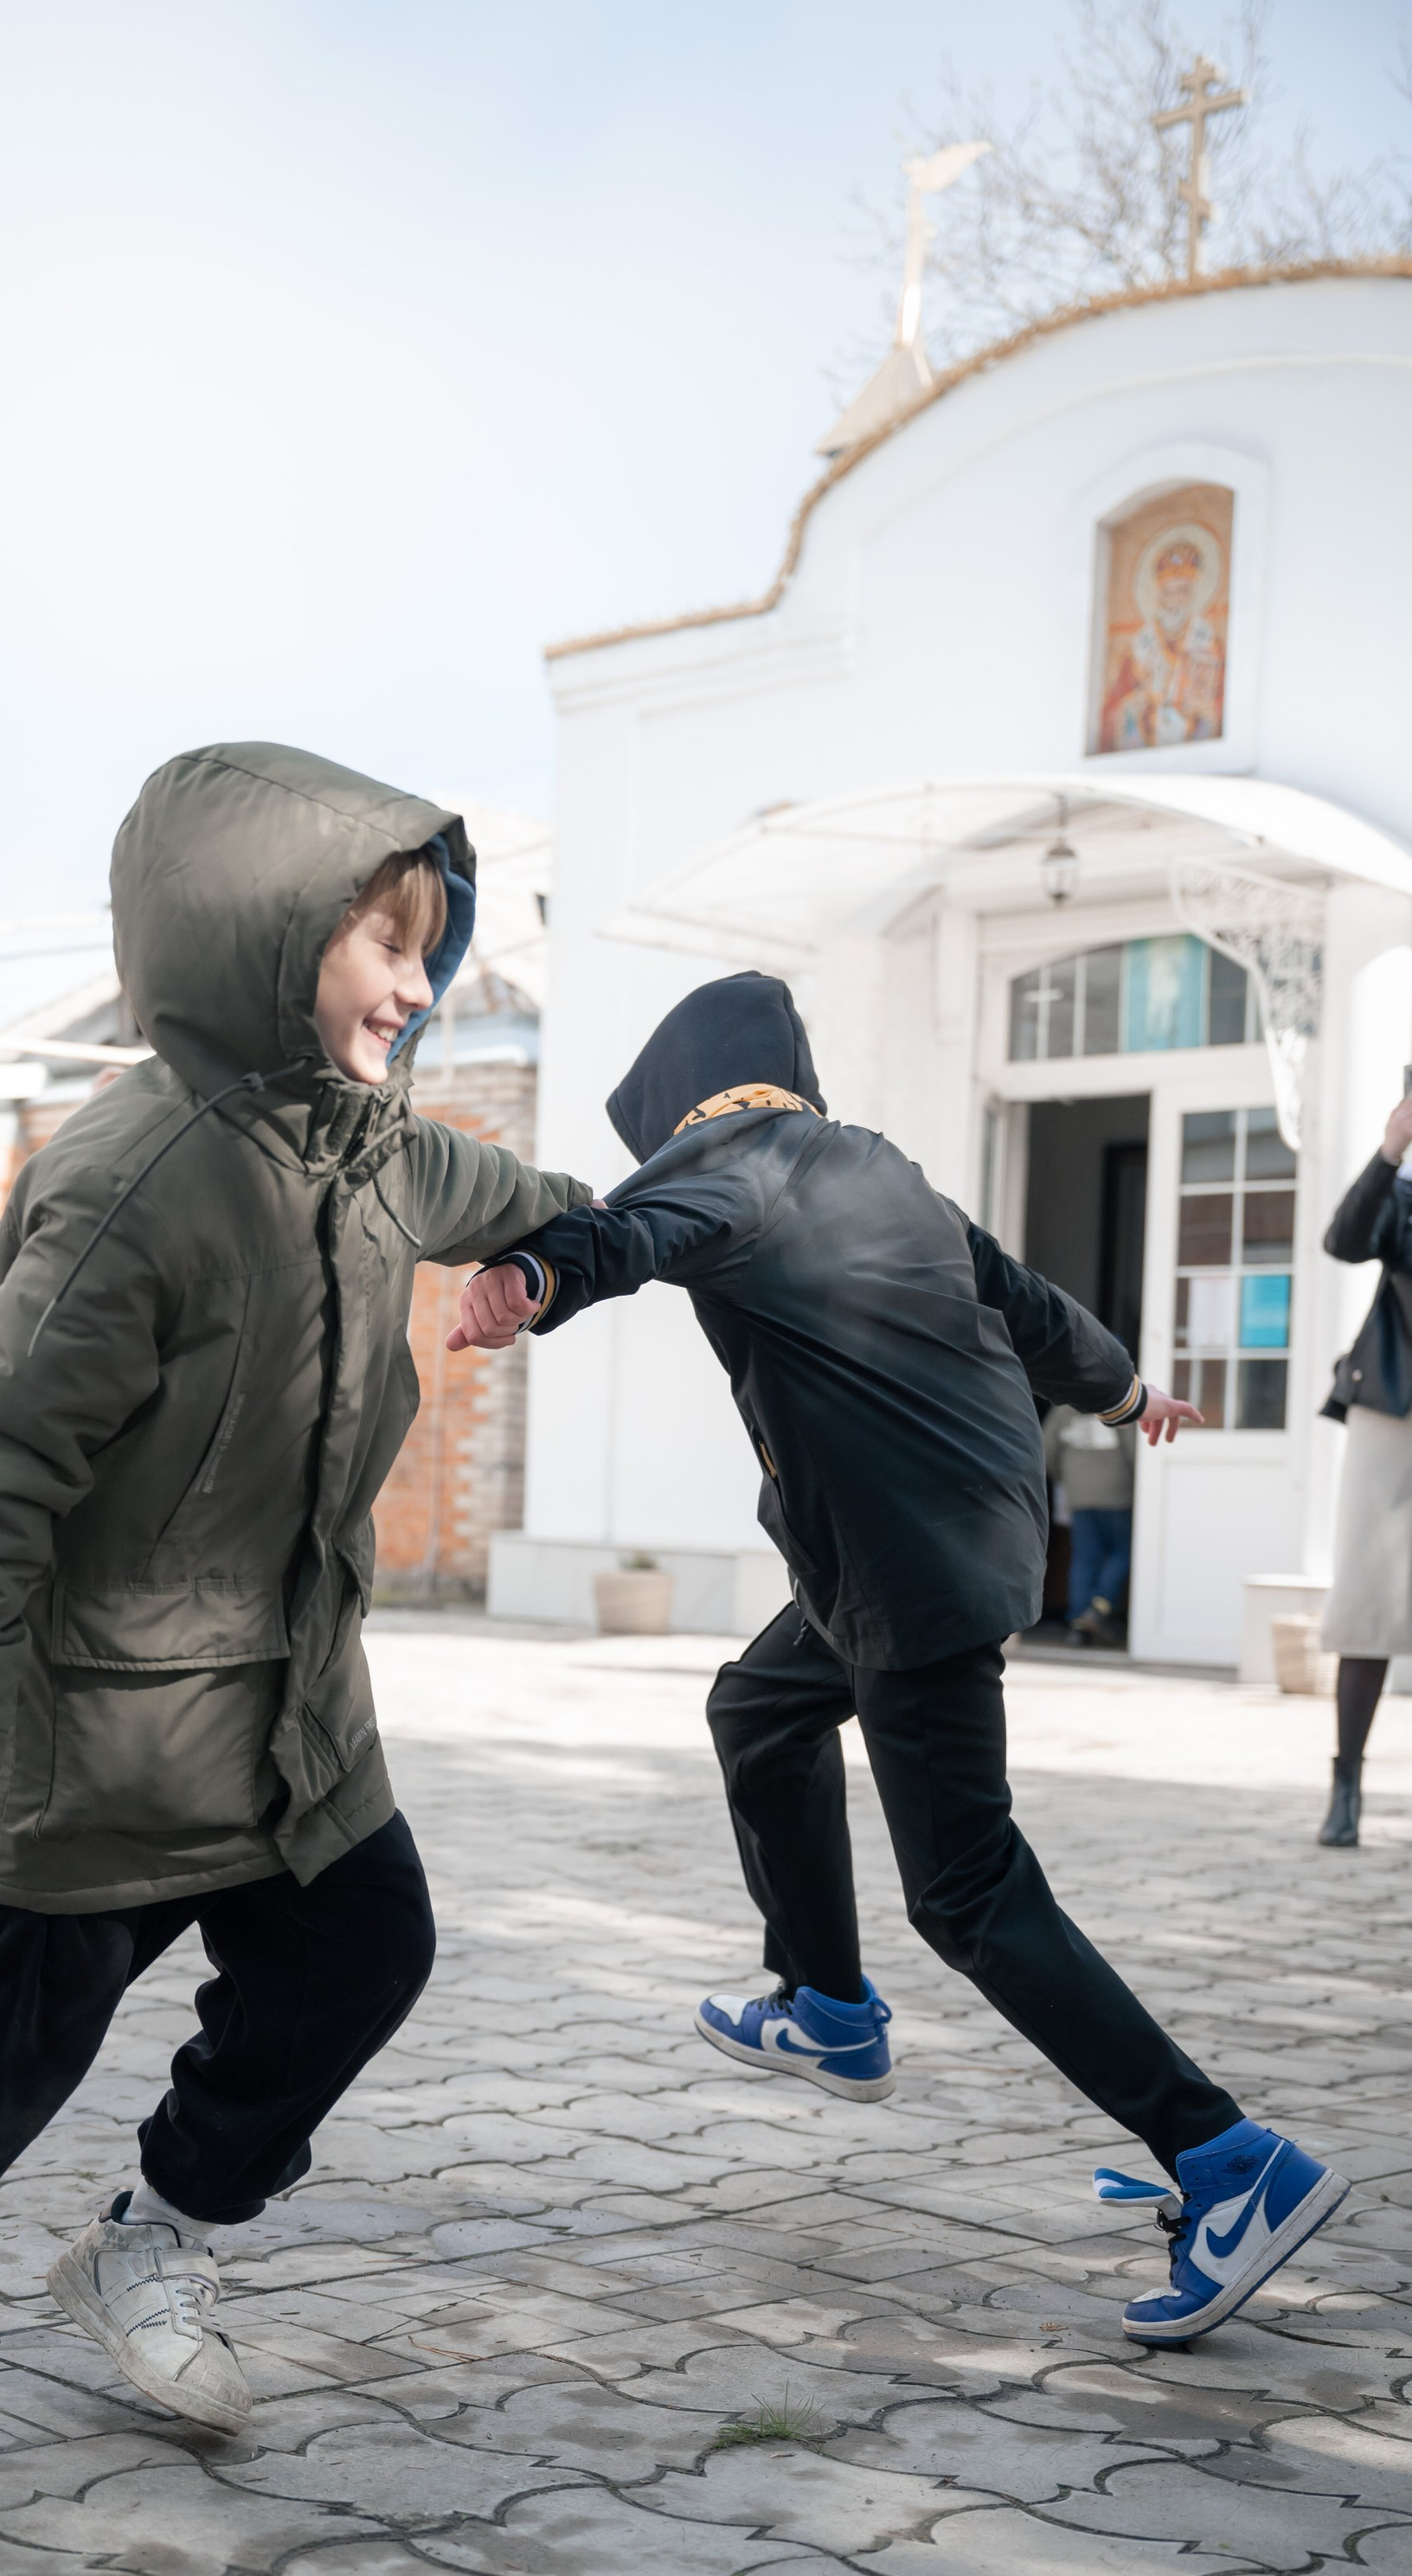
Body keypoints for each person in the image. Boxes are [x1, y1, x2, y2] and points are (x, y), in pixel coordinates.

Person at [0, 742, 593, 2430]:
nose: (413, 982)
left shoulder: (377, 1155)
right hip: (104, 1751)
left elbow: (543, 1206)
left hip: (294, 1732)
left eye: (425, 944)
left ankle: (151, 2241)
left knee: (362, 1954)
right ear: (250, 935)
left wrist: (614, 1243)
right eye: (378, 940)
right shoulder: (126, 1187)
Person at [451, 970, 1347, 2349]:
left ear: (684, 1106)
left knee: (971, 1893)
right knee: (757, 1710)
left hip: (901, 1565)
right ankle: (828, 2003)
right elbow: (1027, 1299)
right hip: (944, 1536)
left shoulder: (723, 1169)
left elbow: (632, 1230)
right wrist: (1125, 1389)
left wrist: (531, 1273)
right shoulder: (880, 1169)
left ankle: (1229, 2161)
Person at [1313, 1071, 1412, 1848]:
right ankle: (1346, 1782)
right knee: (1368, 1605)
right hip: (1392, 1411)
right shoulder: (1402, 1195)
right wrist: (1392, 1146)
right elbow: (1343, 1240)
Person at [1042, 1400, 1136, 1644]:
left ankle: (1078, 1620)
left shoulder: (1062, 1408)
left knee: (1085, 1558)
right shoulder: (1117, 1400)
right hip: (1118, 1492)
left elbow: (1046, 1450)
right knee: (1123, 1552)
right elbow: (1132, 1449)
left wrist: (1066, 1478)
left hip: (1078, 1494)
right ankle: (1099, 1608)